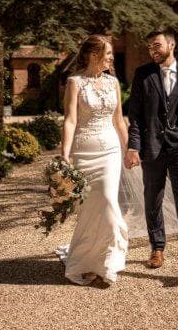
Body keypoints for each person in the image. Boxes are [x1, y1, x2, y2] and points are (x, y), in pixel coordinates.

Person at [125, 29, 178, 277]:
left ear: (172, 45)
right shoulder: (143, 75)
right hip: (153, 146)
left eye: (157, 45)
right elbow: (136, 116)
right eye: (150, 46)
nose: (153, 50)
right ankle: (157, 248)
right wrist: (134, 146)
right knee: (153, 198)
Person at [55, 35, 128, 287]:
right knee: (89, 210)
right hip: (84, 151)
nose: (111, 58)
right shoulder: (75, 82)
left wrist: (129, 148)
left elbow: (119, 120)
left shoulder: (113, 83)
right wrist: (65, 154)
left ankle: (107, 263)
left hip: (110, 150)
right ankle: (86, 262)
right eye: (107, 53)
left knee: (108, 202)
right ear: (93, 55)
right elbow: (70, 120)